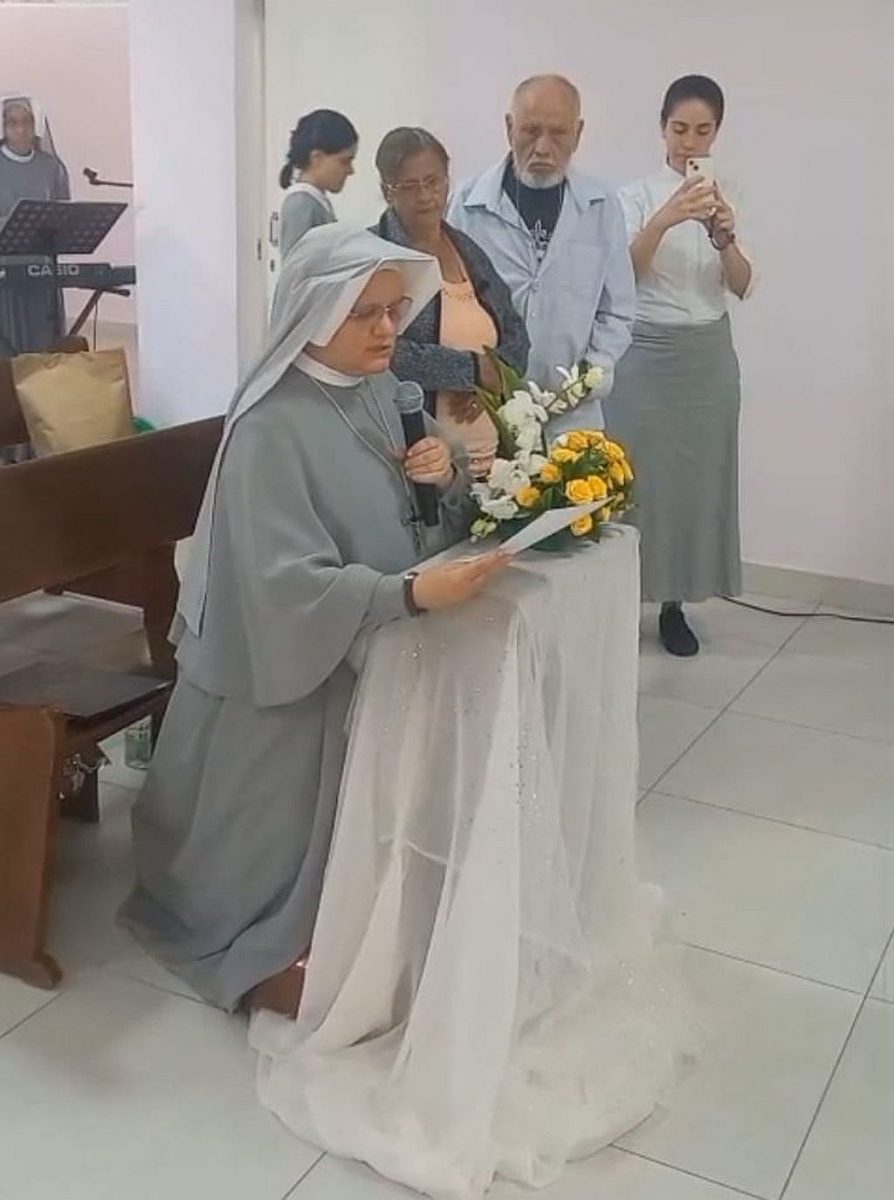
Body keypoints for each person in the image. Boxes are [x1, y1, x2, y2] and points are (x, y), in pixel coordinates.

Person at [119, 225, 510, 1017]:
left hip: (378, 656)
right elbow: (283, 585)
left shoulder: (385, 392)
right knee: (279, 865)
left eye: (394, 310)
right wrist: (403, 596)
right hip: (289, 682)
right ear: (313, 312)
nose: (387, 329)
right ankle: (276, 931)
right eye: (365, 313)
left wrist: (445, 471)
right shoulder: (269, 427)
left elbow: (426, 517)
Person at [604, 75, 754, 657]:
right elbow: (623, 274)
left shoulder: (728, 194)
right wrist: (666, 217)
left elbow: (742, 285)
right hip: (645, 354)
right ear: (662, 127)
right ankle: (619, 601)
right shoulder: (633, 196)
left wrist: (724, 238)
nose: (689, 142)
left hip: (707, 356)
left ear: (718, 132)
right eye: (679, 128)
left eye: (702, 130)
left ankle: (674, 605)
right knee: (637, 483)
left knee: (695, 484)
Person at [448, 75, 635, 430]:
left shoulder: (601, 205)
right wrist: (470, 374)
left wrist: (591, 372)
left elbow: (618, 309)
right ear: (509, 128)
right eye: (530, 131)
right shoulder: (468, 204)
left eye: (558, 133)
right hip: (488, 407)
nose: (543, 148)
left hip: (573, 412)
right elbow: (451, 303)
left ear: (578, 133)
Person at [373, 126, 530, 478]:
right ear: (387, 191)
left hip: (495, 461)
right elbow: (381, 351)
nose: (426, 196)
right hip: (418, 462)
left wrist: (493, 381)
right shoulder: (376, 256)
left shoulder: (466, 249)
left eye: (434, 181)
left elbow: (516, 332)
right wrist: (471, 371)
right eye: (410, 186)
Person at [0, 95, 71, 355]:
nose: (21, 130)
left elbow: (63, 211)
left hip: (42, 271)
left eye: (27, 122)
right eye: (12, 123)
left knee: (44, 349)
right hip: (5, 274)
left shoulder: (51, 167)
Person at [278, 109, 357, 258]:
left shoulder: (316, 201)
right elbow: (297, 268)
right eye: (345, 161)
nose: (350, 170)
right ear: (317, 158)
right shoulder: (301, 204)